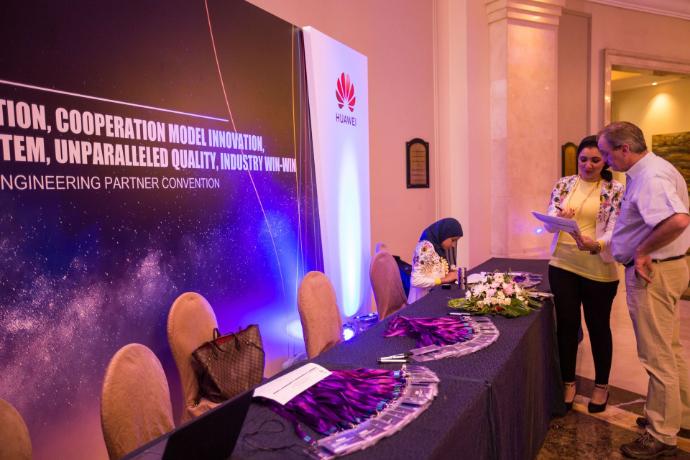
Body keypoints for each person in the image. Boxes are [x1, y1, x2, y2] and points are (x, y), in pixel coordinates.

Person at [598, 121, 690, 459]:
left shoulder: (650, 176)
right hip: (667, 269)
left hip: (654, 273)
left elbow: (678, 219)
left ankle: (662, 435)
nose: (606, 161)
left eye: (607, 154)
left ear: (625, 148)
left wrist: (642, 251)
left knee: (657, 355)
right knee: (670, 349)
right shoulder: (651, 170)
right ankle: (677, 416)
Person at [544, 135, 624, 413]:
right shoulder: (564, 184)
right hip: (562, 265)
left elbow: (616, 229)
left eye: (595, 160)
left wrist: (597, 244)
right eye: (583, 159)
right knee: (566, 326)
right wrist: (559, 219)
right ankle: (568, 382)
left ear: (605, 162)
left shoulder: (615, 189)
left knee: (598, 327)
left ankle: (601, 387)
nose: (588, 165)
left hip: (598, 267)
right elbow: (549, 226)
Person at [408, 218, 462, 303]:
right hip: (421, 303)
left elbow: (433, 270)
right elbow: (416, 281)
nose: (454, 245)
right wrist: (443, 279)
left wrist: (449, 273)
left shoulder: (437, 246)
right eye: (453, 240)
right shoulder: (426, 248)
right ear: (444, 234)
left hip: (432, 297)